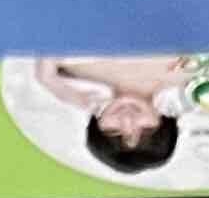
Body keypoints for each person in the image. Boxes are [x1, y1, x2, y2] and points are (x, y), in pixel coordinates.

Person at [33, 54, 188, 176]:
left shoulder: (68, 70)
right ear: (163, 122)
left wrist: (49, 79)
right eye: (145, 129)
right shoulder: (187, 71)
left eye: (113, 130)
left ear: (97, 124)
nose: (127, 119)